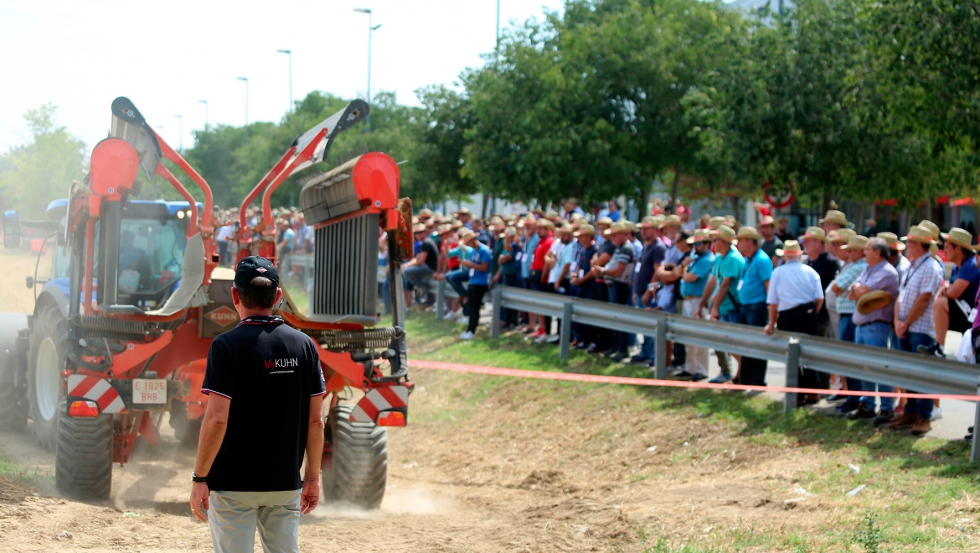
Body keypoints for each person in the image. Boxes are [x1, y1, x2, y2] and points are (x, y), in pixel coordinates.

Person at [190, 256, 325, 553]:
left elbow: (216, 419)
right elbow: (316, 421)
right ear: (277, 297)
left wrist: (200, 477)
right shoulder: (304, 345)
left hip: (232, 486)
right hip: (284, 485)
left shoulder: (225, 346)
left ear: (235, 295)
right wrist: (312, 478)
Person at [885, 226, 944, 433]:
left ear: (918, 245)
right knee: (907, 372)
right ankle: (910, 411)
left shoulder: (931, 266)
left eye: (909, 243)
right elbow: (902, 295)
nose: (907, 246)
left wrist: (906, 322)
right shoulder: (913, 265)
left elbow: (924, 298)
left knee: (921, 374)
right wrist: (898, 321)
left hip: (920, 327)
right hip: (906, 326)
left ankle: (924, 416)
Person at [845, 237, 900, 420]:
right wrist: (858, 290)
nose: (864, 252)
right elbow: (852, 292)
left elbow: (858, 291)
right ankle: (867, 404)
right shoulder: (868, 269)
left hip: (876, 326)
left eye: (867, 249)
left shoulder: (887, 272)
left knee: (879, 367)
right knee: (865, 367)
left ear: (878, 252)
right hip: (862, 325)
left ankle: (886, 408)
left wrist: (858, 290)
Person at [765, 240, 825, 404]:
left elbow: (773, 302)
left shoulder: (778, 272)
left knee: (792, 355)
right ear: (799, 255)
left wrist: (772, 322)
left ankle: (798, 395)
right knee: (809, 353)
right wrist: (813, 313)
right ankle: (813, 392)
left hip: (788, 315)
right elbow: (819, 298)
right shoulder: (810, 271)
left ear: (784, 255)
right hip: (808, 313)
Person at [829, 235, 869, 414]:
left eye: (851, 250)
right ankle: (852, 397)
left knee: (851, 359)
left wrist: (839, 290)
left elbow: (835, 288)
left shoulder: (859, 266)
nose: (848, 252)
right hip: (846, 314)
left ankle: (855, 398)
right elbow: (836, 289)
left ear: (860, 252)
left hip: (850, 315)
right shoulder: (852, 265)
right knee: (848, 358)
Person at [925, 228, 979, 359]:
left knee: (941, 303)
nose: (944, 250)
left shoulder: (969, 265)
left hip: (973, 316)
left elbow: (954, 292)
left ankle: (939, 347)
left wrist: (946, 290)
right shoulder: (957, 266)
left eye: (948, 247)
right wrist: (947, 290)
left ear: (958, 249)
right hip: (967, 314)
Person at [700, 225, 744, 383]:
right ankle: (731, 372)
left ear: (724, 241)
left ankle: (742, 373)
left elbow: (725, 285)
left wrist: (715, 308)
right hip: (722, 306)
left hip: (732, 308)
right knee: (720, 340)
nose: (712, 242)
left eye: (715, 240)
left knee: (732, 343)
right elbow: (712, 282)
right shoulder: (719, 258)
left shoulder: (733, 258)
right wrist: (702, 303)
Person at [735, 227, 772, 386]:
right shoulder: (748, 259)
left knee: (757, 345)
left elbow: (768, 286)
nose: (738, 243)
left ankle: (758, 380)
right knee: (746, 344)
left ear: (750, 241)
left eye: (740, 240)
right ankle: (747, 378)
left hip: (757, 307)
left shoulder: (762, 260)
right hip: (746, 307)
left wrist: (770, 310)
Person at [676, 229, 714, 380]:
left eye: (698, 244)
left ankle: (702, 370)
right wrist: (683, 269)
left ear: (707, 244)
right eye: (694, 244)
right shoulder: (696, 257)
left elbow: (690, 277)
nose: (695, 247)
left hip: (698, 301)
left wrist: (683, 268)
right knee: (688, 336)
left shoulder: (707, 259)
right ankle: (690, 368)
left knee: (700, 336)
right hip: (688, 300)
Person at [596, 222, 635, 360]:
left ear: (623, 234)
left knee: (620, 318)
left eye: (614, 234)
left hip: (620, 286)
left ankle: (622, 348)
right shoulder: (619, 248)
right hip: (614, 286)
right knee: (614, 318)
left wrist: (603, 271)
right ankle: (616, 346)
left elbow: (619, 271)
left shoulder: (626, 248)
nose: (612, 237)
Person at [632, 216, 667, 364]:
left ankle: (653, 355)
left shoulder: (658, 247)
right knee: (645, 325)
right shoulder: (646, 246)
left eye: (647, 228)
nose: (643, 231)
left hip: (650, 294)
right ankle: (646, 352)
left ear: (655, 230)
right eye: (642, 228)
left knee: (652, 326)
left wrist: (648, 292)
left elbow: (657, 272)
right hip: (640, 292)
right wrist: (636, 291)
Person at [459, 230, 493, 340]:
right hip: (473, 281)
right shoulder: (474, 251)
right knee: (471, 307)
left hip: (481, 282)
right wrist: (467, 264)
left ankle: (472, 330)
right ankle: (469, 329)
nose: (468, 245)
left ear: (473, 240)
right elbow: (472, 266)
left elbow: (484, 267)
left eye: (469, 242)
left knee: (475, 307)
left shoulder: (484, 250)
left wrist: (470, 264)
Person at [402, 224, 440, 308]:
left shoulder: (427, 242)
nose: (418, 234)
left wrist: (407, 266)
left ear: (426, 232)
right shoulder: (425, 242)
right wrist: (407, 264)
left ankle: (422, 287)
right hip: (426, 268)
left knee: (406, 271)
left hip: (430, 268)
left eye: (421, 232)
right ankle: (422, 289)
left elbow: (421, 261)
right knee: (405, 270)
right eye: (417, 233)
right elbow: (417, 258)